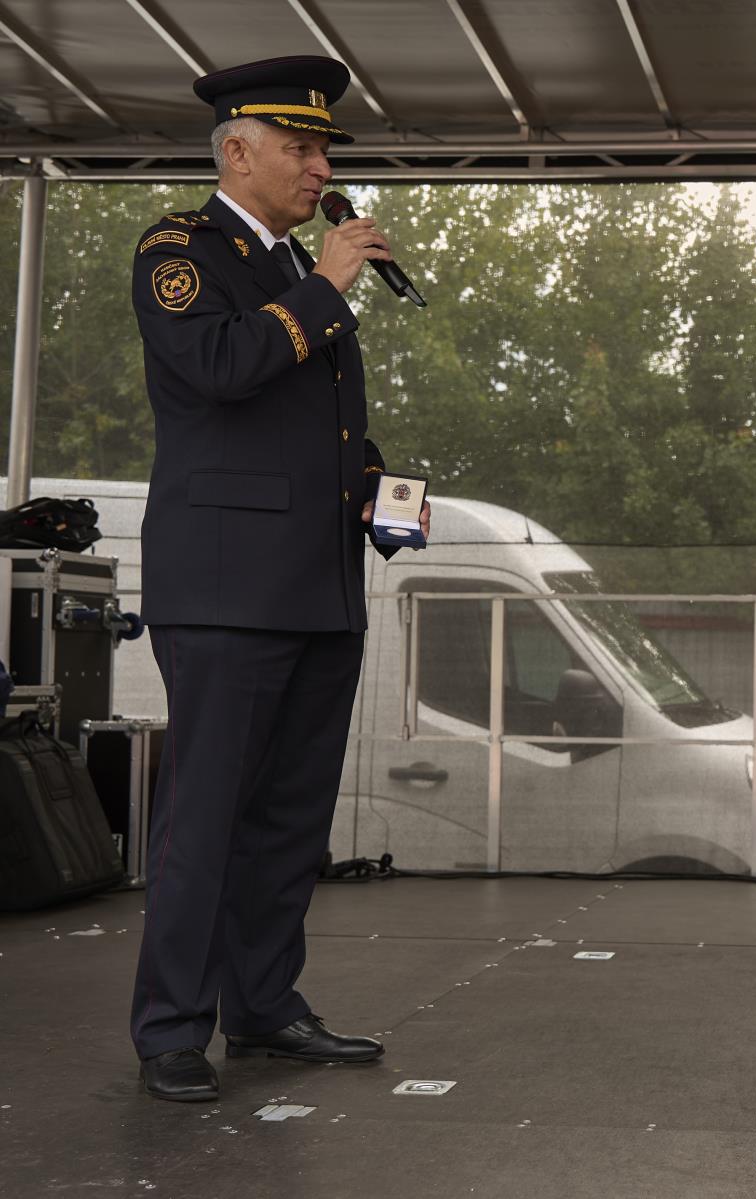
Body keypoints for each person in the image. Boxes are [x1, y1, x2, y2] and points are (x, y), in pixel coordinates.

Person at [128, 55, 429, 1102]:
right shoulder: (182, 253)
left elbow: (316, 421)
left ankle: (263, 1003)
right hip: (224, 587)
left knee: (292, 815)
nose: (321, 164)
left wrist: (380, 485)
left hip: (317, 582)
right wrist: (327, 284)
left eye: (325, 146)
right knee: (204, 813)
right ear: (238, 150)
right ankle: (172, 1024)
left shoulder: (300, 268)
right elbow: (218, 372)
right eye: (300, 147)